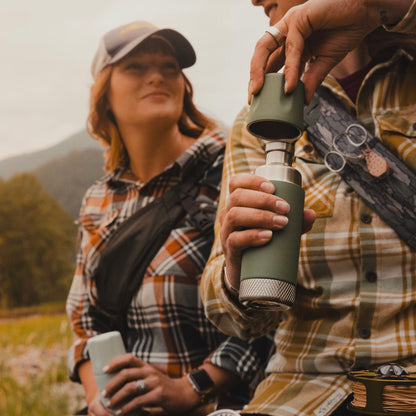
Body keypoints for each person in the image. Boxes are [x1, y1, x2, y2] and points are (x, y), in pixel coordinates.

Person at [201, 0, 416, 415]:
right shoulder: (258, 121)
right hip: (301, 392)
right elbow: (235, 319)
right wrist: (233, 267)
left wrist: (374, 7)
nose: (255, 0)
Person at [66, 21, 273, 416]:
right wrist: (99, 400)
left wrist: (190, 388)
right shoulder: (98, 200)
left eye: (169, 66)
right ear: (104, 95)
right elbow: (83, 318)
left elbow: (269, 312)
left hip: (219, 405)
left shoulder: (231, 168)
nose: (157, 75)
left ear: (184, 86)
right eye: (135, 67)